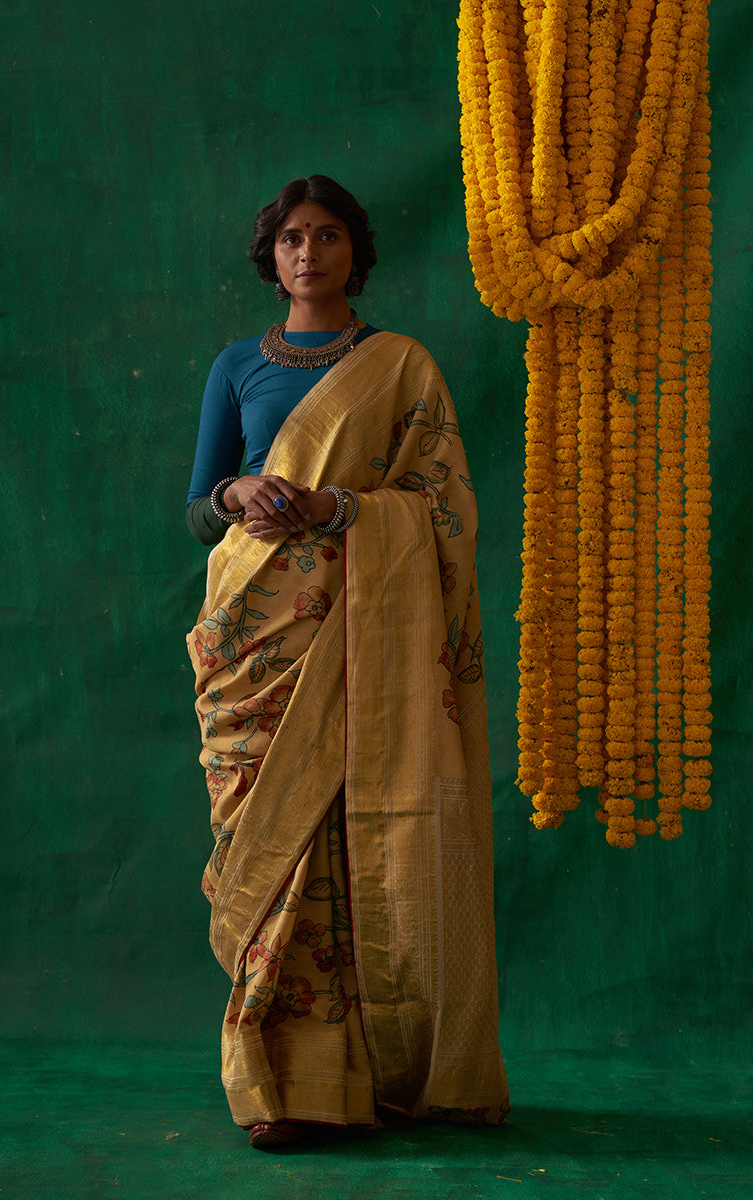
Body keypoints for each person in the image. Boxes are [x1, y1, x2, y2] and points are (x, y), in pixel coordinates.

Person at [186, 176, 509, 1149]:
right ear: (270, 255)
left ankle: (370, 1072)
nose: (307, 253)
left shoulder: (399, 366)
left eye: (326, 237)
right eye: (290, 238)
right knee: (268, 847)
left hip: (369, 635)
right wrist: (241, 493)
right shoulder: (237, 366)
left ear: (352, 253)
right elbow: (196, 506)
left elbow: (443, 505)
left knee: (355, 834)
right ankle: (276, 1084)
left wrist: (341, 509)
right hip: (256, 635)